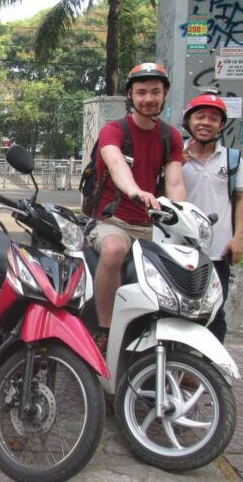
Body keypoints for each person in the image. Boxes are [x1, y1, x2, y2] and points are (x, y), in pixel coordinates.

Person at [88, 62, 186, 354]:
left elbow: (176, 183)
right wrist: (134, 191)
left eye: (155, 91)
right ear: (131, 95)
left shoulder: (171, 137)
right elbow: (115, 162)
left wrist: (182, 215)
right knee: (114, 250)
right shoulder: (113, 130)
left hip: (151, 227)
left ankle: (176, 346)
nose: (148, 98)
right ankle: (105, 331)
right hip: (113, 220)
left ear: (165, 94)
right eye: (141, 92)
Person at [182, 93, 243, 343]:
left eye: (213, 118)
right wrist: (175, 163)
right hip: (179, 249)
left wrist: (238, 238)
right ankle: (181, 367)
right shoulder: (174, 156)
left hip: (217, 251)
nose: (206, 122)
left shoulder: (232, 159)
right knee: (179, 309)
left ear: (221, 125)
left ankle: (212, 370)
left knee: (215, 311)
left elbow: (241, 199)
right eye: (200, 116)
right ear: (189, 121)